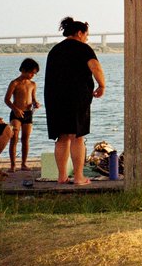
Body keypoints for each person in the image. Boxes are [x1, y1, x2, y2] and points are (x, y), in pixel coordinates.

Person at [44, 16, 106, 185]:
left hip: (54, 98)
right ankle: (79, 177)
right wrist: (102, 85)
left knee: (62, 137)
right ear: (79, 33)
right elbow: (95, 67)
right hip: (77, 97)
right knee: (78, 136)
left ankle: (62, 176)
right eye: (86, 35)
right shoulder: (83, 49)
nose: (87, 38)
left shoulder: (54, 51)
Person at [3, 58, 41, 172]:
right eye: (31, 73)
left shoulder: (33, 84)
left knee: (25, 139)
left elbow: (33, 99)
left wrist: (35, 103)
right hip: (16, 113)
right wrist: (15, 109)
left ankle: (24, 164)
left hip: (28, 113)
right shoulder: (15, 83)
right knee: (14, 138)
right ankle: (13, 165)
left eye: (34, 73)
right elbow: (7, 99)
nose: (32, 75)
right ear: (23, 70)